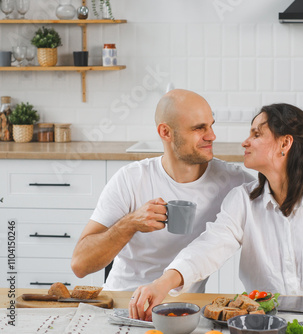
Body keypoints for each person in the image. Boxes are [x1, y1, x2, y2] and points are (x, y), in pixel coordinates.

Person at [129, 103, 303, 321]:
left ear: (284, 143)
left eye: (256, 134)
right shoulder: (242, 201)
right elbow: (207, 249)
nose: (245, 141)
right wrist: (163, 283)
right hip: (267, 325)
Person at [70, 89, 254, 292]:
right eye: (199, 128)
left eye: (211, 125)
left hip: (185, 309)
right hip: (123, 299)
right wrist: (130, 224)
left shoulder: (233, 182)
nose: (212, 136)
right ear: (165, 132)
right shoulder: (131, 179)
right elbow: (80, 264)